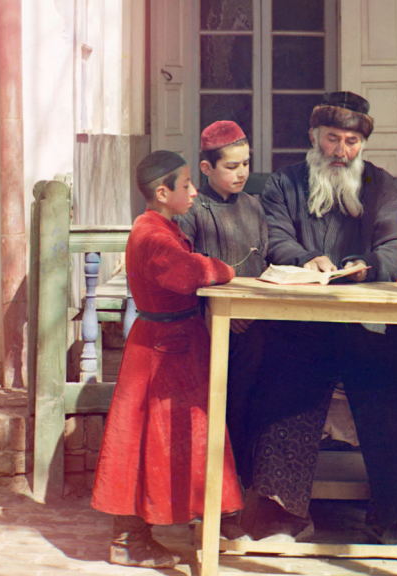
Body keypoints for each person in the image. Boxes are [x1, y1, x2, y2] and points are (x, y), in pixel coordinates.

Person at [245, 91, 397, 542]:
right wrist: (307, 258)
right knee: (282, 391)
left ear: (362, 145)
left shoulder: (382, 186)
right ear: (314, 137)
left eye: (351, 142)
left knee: (393, 392)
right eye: (332, 139)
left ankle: (393, 513)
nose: (341, 151)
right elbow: (276, 240)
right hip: (299, 322)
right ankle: (283, 513)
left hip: (366, 320)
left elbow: (395, 247)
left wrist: (366, 266)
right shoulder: (284, 184)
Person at [91, 150, 242, 568]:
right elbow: (193, 273)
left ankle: (202, 518)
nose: (194, 192)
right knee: (147, 441)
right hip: (162, 350)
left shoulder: (157, 225)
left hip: (172, 344)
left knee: (162, 438)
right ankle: (130, 541)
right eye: (187, 185)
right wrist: (222, 268)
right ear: (162, 192)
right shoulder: (152, 236)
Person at [174, 121, 267, 487]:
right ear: (206, 168)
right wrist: (218, 314)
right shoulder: (193, 211)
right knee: (217, 411)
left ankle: (242, 492)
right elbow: (185, 271)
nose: (241, 173)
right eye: (231, 166)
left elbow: (265, 261)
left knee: (249, 409)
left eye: (246, 164)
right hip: (211, 331)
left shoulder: (254, 207)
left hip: (256, 328)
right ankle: (211, 494)